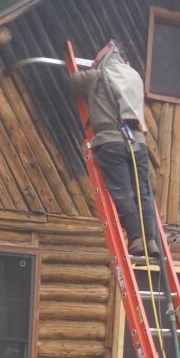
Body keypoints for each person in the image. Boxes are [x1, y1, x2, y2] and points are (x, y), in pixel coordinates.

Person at [69, 40, 160, 257]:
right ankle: (152, 240)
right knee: (143, 192)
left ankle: (136, 239)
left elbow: (72, 82)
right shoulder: (134, 76)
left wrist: (91, 70)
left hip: (111, 141)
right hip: (137, 142)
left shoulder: (97, 76)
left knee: (122, 192)